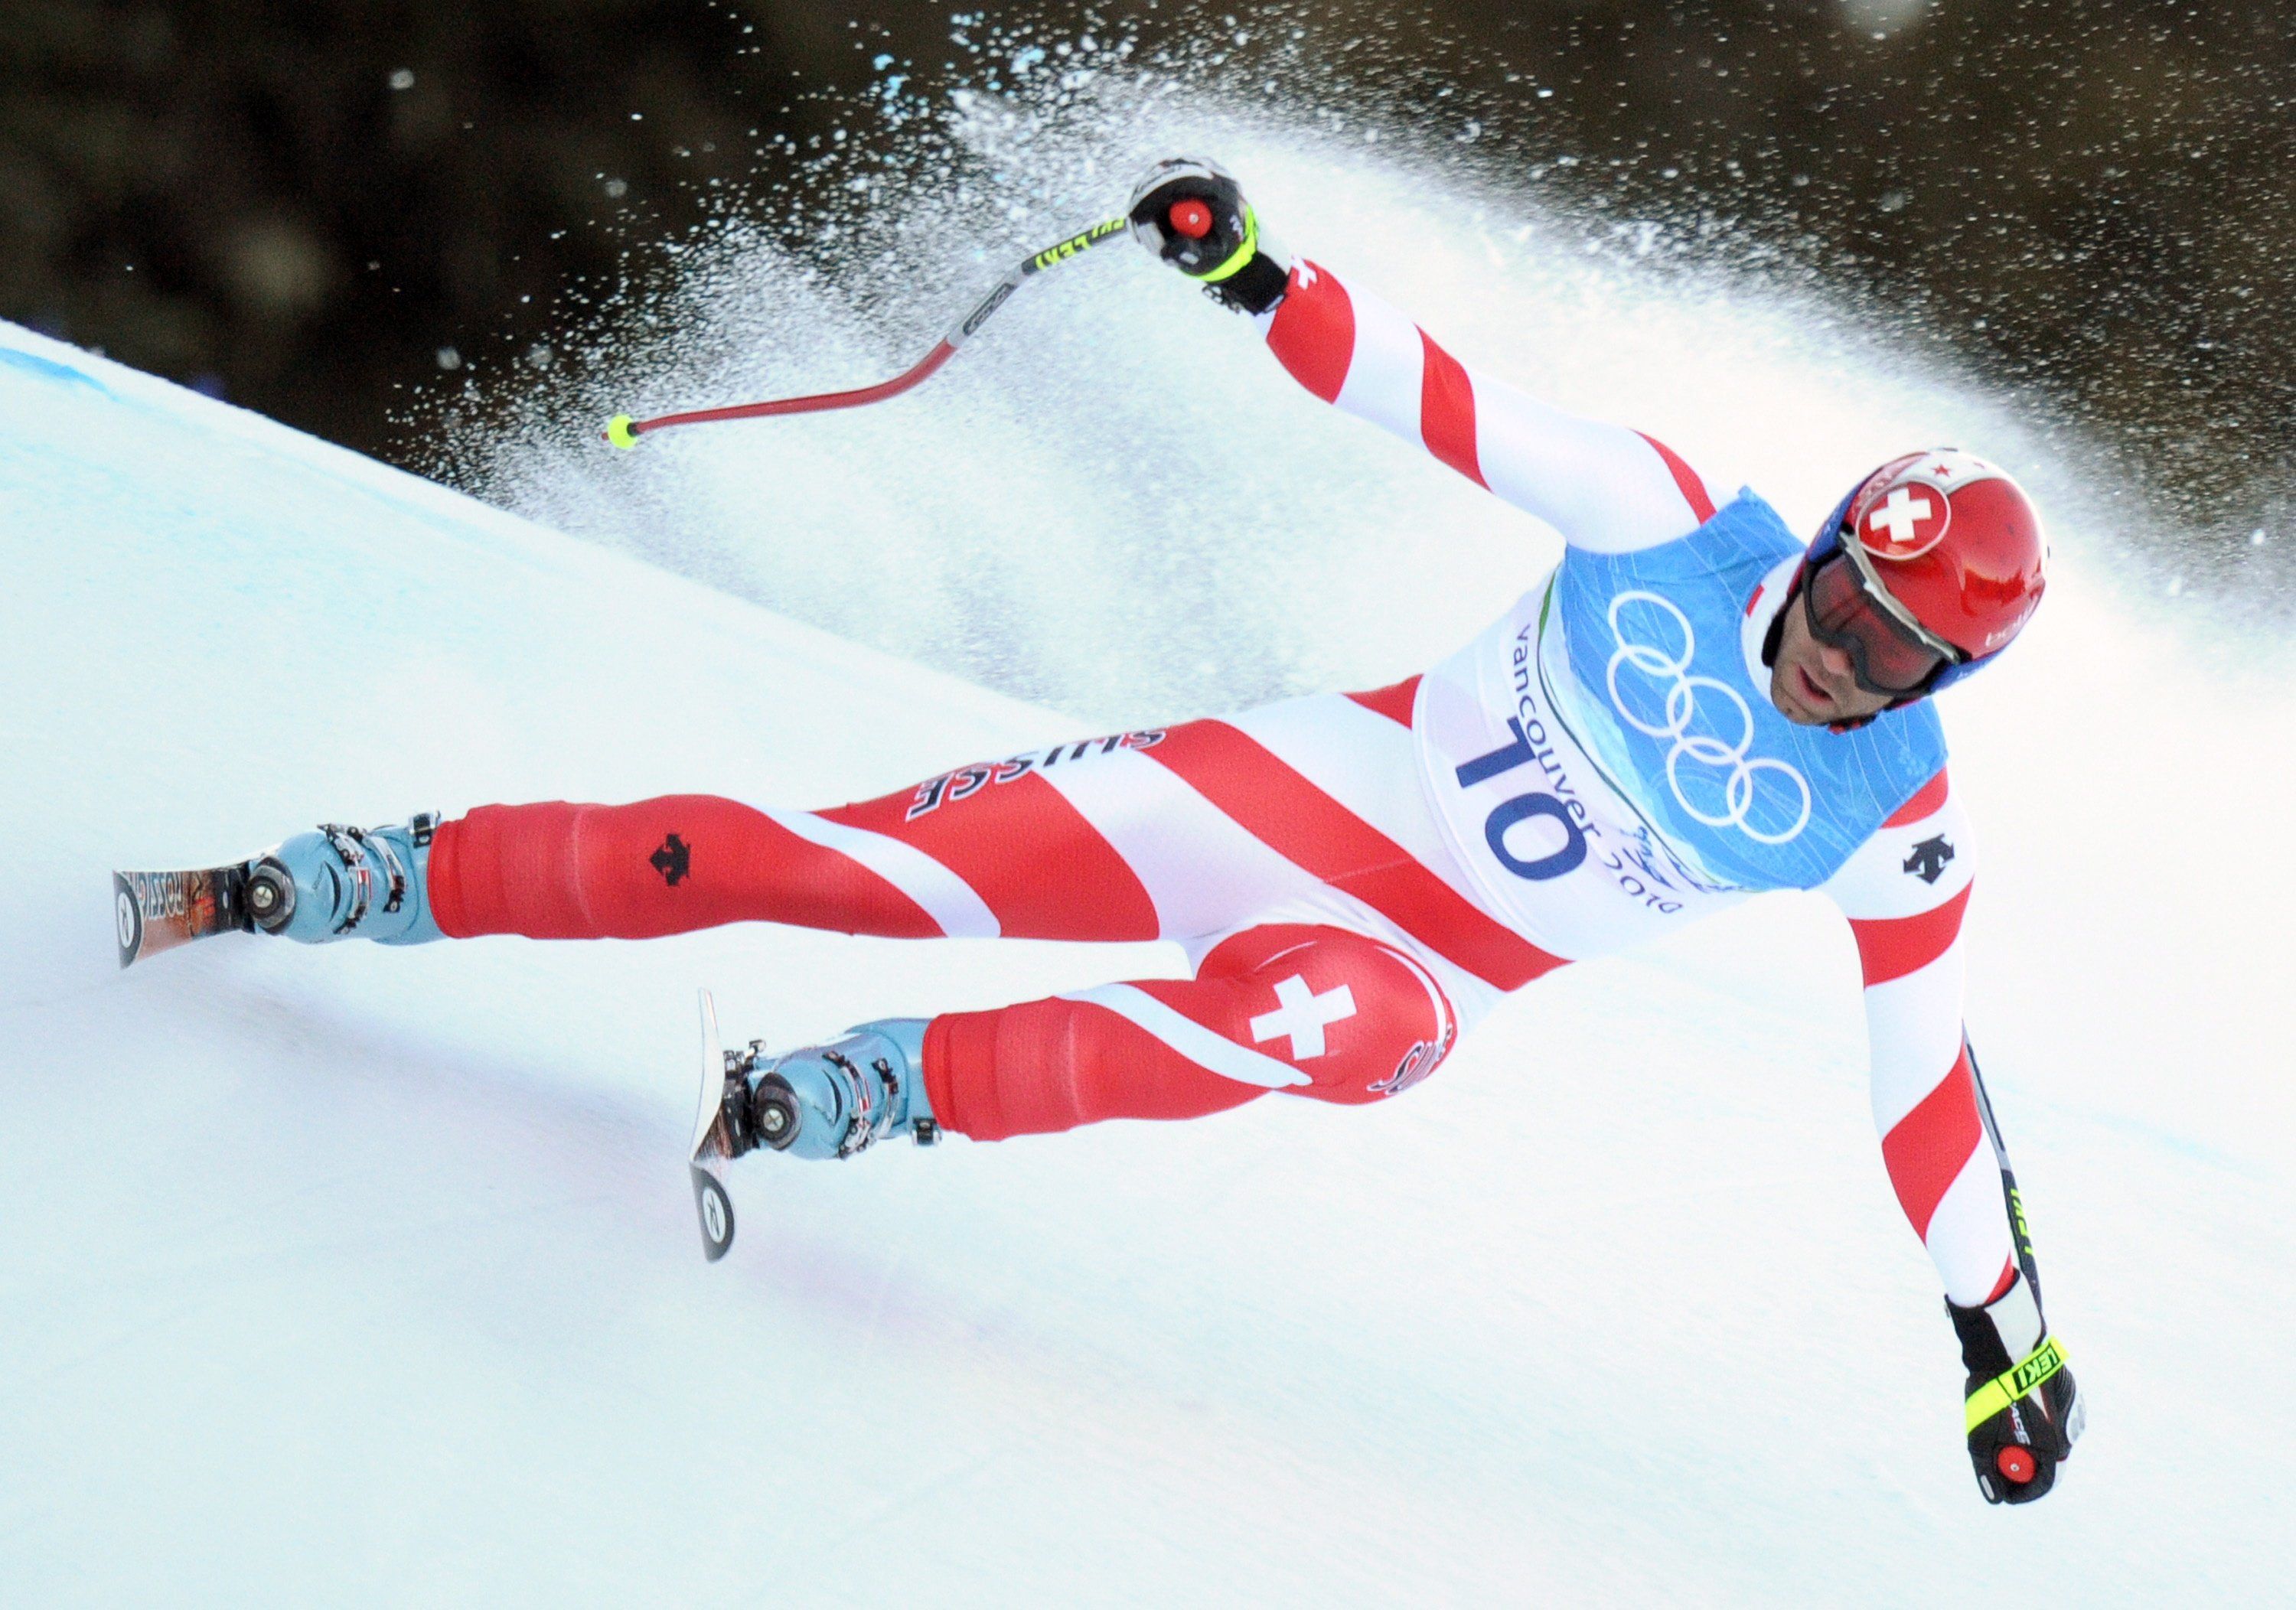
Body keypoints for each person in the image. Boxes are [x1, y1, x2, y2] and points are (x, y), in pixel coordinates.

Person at [236, 158, 2080, 1504]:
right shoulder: (1669, 513)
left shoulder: (1900, 824)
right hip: (1279, 799)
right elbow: (1432, 396)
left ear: (1947, 681)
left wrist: (1999, 1335)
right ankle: (389, 873)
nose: (1840, 658)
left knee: (1325, 1031)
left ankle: (874, 1087)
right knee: (835, 867)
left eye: (1893, 659)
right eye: (1843, 604)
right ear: (1821, 547)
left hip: (1407, 969)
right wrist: (1259, 271)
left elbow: (1925, 1087)